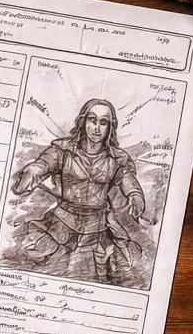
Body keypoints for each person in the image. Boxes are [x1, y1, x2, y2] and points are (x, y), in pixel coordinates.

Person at [10, 98, 146, 285]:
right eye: (92, 120)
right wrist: (32, 173)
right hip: (62, 224)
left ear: (110, 127)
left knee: (101, 275)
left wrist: (135, 194)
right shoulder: (63, 150)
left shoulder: (117, 158)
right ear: (83, 121)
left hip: (97, 228)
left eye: (103, 122)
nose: (97, 127)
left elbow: (126, 177)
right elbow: (43, 164)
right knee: (47, 270)